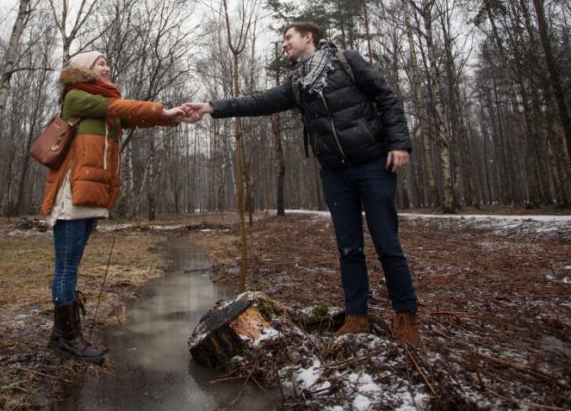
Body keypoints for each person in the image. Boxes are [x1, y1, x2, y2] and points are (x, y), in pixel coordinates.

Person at [183, 21, 420, 345]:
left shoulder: (346, 61)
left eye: (288, 38)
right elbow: (259, 102)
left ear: (309, 37)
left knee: (387, 244)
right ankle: (356, 317)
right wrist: (211, 107)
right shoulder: (297, 84)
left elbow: (387, 98)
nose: (283, 44)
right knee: (348, 248)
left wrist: (399, 143)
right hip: (335, 173)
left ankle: (406, 317)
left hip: (372, 164)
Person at [41, 50, 187, 363]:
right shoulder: (76, 96)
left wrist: (168, 118)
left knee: (72, 265)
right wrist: (165, 109)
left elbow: (130, 115)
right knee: (66, 267)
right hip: (72, 193)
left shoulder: (103, 102)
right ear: (83, 69)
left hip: (91, 194)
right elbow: (119, 107)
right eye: (100, 62)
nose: (107, 66)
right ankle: (66, 337)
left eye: (108, 62)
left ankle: (63, 333)